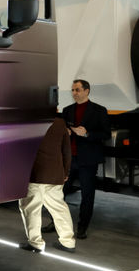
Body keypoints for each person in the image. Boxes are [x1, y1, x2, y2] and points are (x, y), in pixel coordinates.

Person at [18, 117, 76, 253]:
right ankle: (68, 242)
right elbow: (66, 151)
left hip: (35, 174)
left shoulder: (27, 121)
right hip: (55, 174)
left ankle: (36, 243)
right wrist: (65, 171)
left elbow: (20, 150)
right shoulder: (60, 122)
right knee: (59, 208)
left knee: (31, 209)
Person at [61, 79, 110, 239]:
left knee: (87, 195)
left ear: (87, 91)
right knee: (60, 193)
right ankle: (56, 223)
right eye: (73, 90)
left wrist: (87, 134)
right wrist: (66, 133)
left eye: (77, 90)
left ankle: (82, 227)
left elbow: (106, 134)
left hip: (88, 160)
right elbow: (62, 131)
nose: (74, 93)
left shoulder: (99, 110)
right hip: (69, 159)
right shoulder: (67, 110)